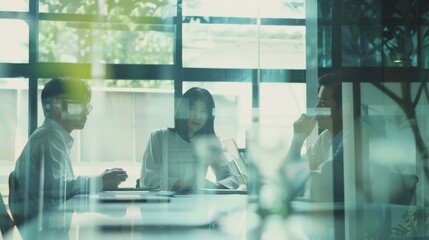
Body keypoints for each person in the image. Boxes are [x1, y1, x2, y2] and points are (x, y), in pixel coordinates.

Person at [9, 77, 128, 226]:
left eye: (87, 105)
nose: (87, 111)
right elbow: (57, 188)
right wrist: (101, 181)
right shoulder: (49, 137)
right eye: (81, 104)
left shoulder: (51, 136)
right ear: (57, 106)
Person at [140, 87, 239, 191]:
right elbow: (148, 178)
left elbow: (232, 179)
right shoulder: (159, 137)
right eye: (192, 108)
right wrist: (183, 184)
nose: (197, 116)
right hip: (162, 204)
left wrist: (212, 186)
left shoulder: (210, 144)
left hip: (195, 204)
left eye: (203, 111)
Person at [284, 72, 346, 202]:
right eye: (318, 102)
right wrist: (297, 139)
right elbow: (291, 173)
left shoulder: (351, 138)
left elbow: (315, 181)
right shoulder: (325, 136)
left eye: (323, 103)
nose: (317, 109)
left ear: (342, 109)